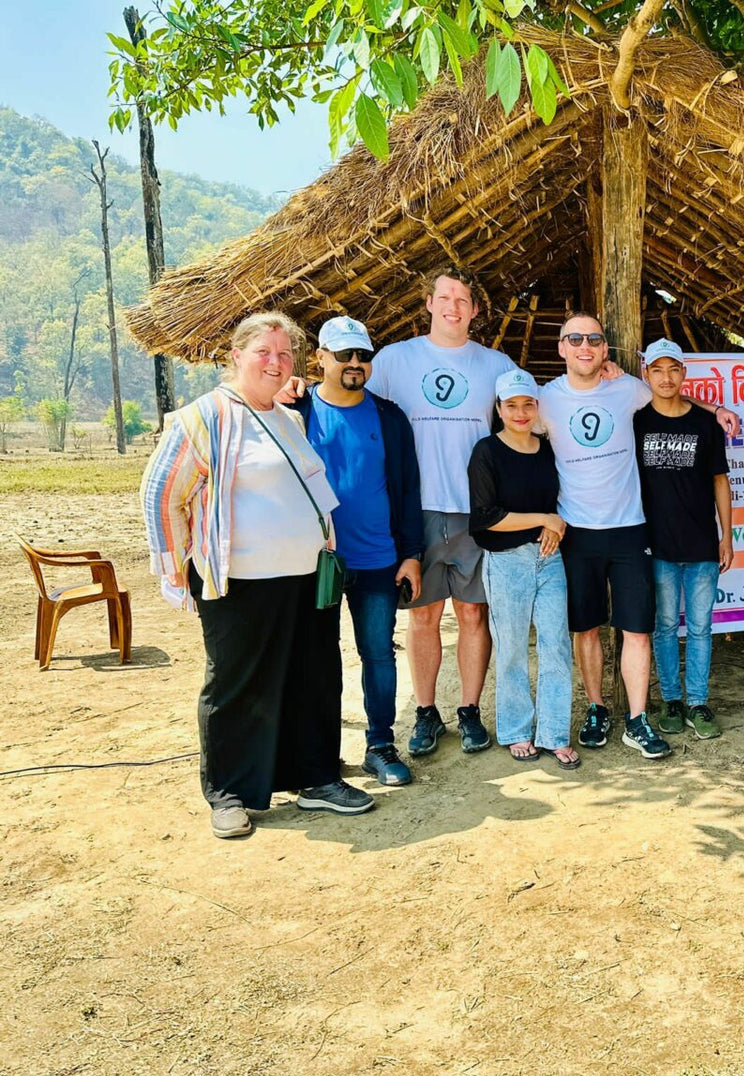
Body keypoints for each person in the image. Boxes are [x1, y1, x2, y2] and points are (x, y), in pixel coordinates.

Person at [141, 312, 374, 840]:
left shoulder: (285, 417)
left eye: (285, 353)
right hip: (241, 581)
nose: (276, 361)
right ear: (236, 356)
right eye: (263, 352)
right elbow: (160, 496)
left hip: (306, 580)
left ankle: (316, 779)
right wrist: (176, 569)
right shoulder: (204, 418)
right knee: (238, 685)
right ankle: (229, 794)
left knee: (313, 680)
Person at [538, 313, 737, 760]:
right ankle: (596, 708)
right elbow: (520, 442)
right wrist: (538, 515)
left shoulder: (628, 389)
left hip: (630, 530)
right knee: (586, 630)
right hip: (577, 531)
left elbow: (676, 398)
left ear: (605, 349)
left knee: (639, 631)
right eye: (575, 339)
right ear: (562, 348)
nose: (585, 346)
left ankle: (638, 720)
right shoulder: (544, 399)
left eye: (594, 339)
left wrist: (718, 410)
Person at [365, 269, 516, 758]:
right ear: (429, 303)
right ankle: (426, 711)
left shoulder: (495, 363)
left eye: (464, 299)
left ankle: (470, 709)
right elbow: (349, 399)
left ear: (474, 311)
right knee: (423, 613)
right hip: (418, 507)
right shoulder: (395, 359)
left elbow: (538, 411)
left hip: (477, 508)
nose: (454, 306)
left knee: (474, 613)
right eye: (445, 297)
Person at [290, 316, 424, 787]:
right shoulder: (295, 411)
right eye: (344, 354)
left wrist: (412, 554)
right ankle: (319, 754)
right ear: (320, 358)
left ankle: (380, 745)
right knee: (318, 659)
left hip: (377, 558)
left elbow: (409, 490)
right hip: (315, 560)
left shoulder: (389, 417)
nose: (354, 364)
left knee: (378, 654)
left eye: (362, 356)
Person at [467, 368, 580, 769]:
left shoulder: (548, 448)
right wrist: (544, 519)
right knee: (512, 649)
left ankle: (553, 732)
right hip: (506, 562)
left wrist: (554, 524)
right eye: (511, 405)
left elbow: (560, 501)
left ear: (536, 407)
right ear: (498, 409)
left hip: (549, 559)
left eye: (527, 404)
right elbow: (485, 517)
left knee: (555, 646)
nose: (520, 412)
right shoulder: (486, 452)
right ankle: (516, 729)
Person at [634, 338, 734, 740]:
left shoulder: (704, 424)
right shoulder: (637, 421)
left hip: (701, 545)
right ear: (646, 375)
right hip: (655, 544)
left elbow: (720, 482)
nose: (666, 377)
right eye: (657, 370)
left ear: (684, 374)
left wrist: (727, 537)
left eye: (673, 369)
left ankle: (697, 702)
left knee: (699, 627)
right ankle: (671, 701)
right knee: (662, 626)